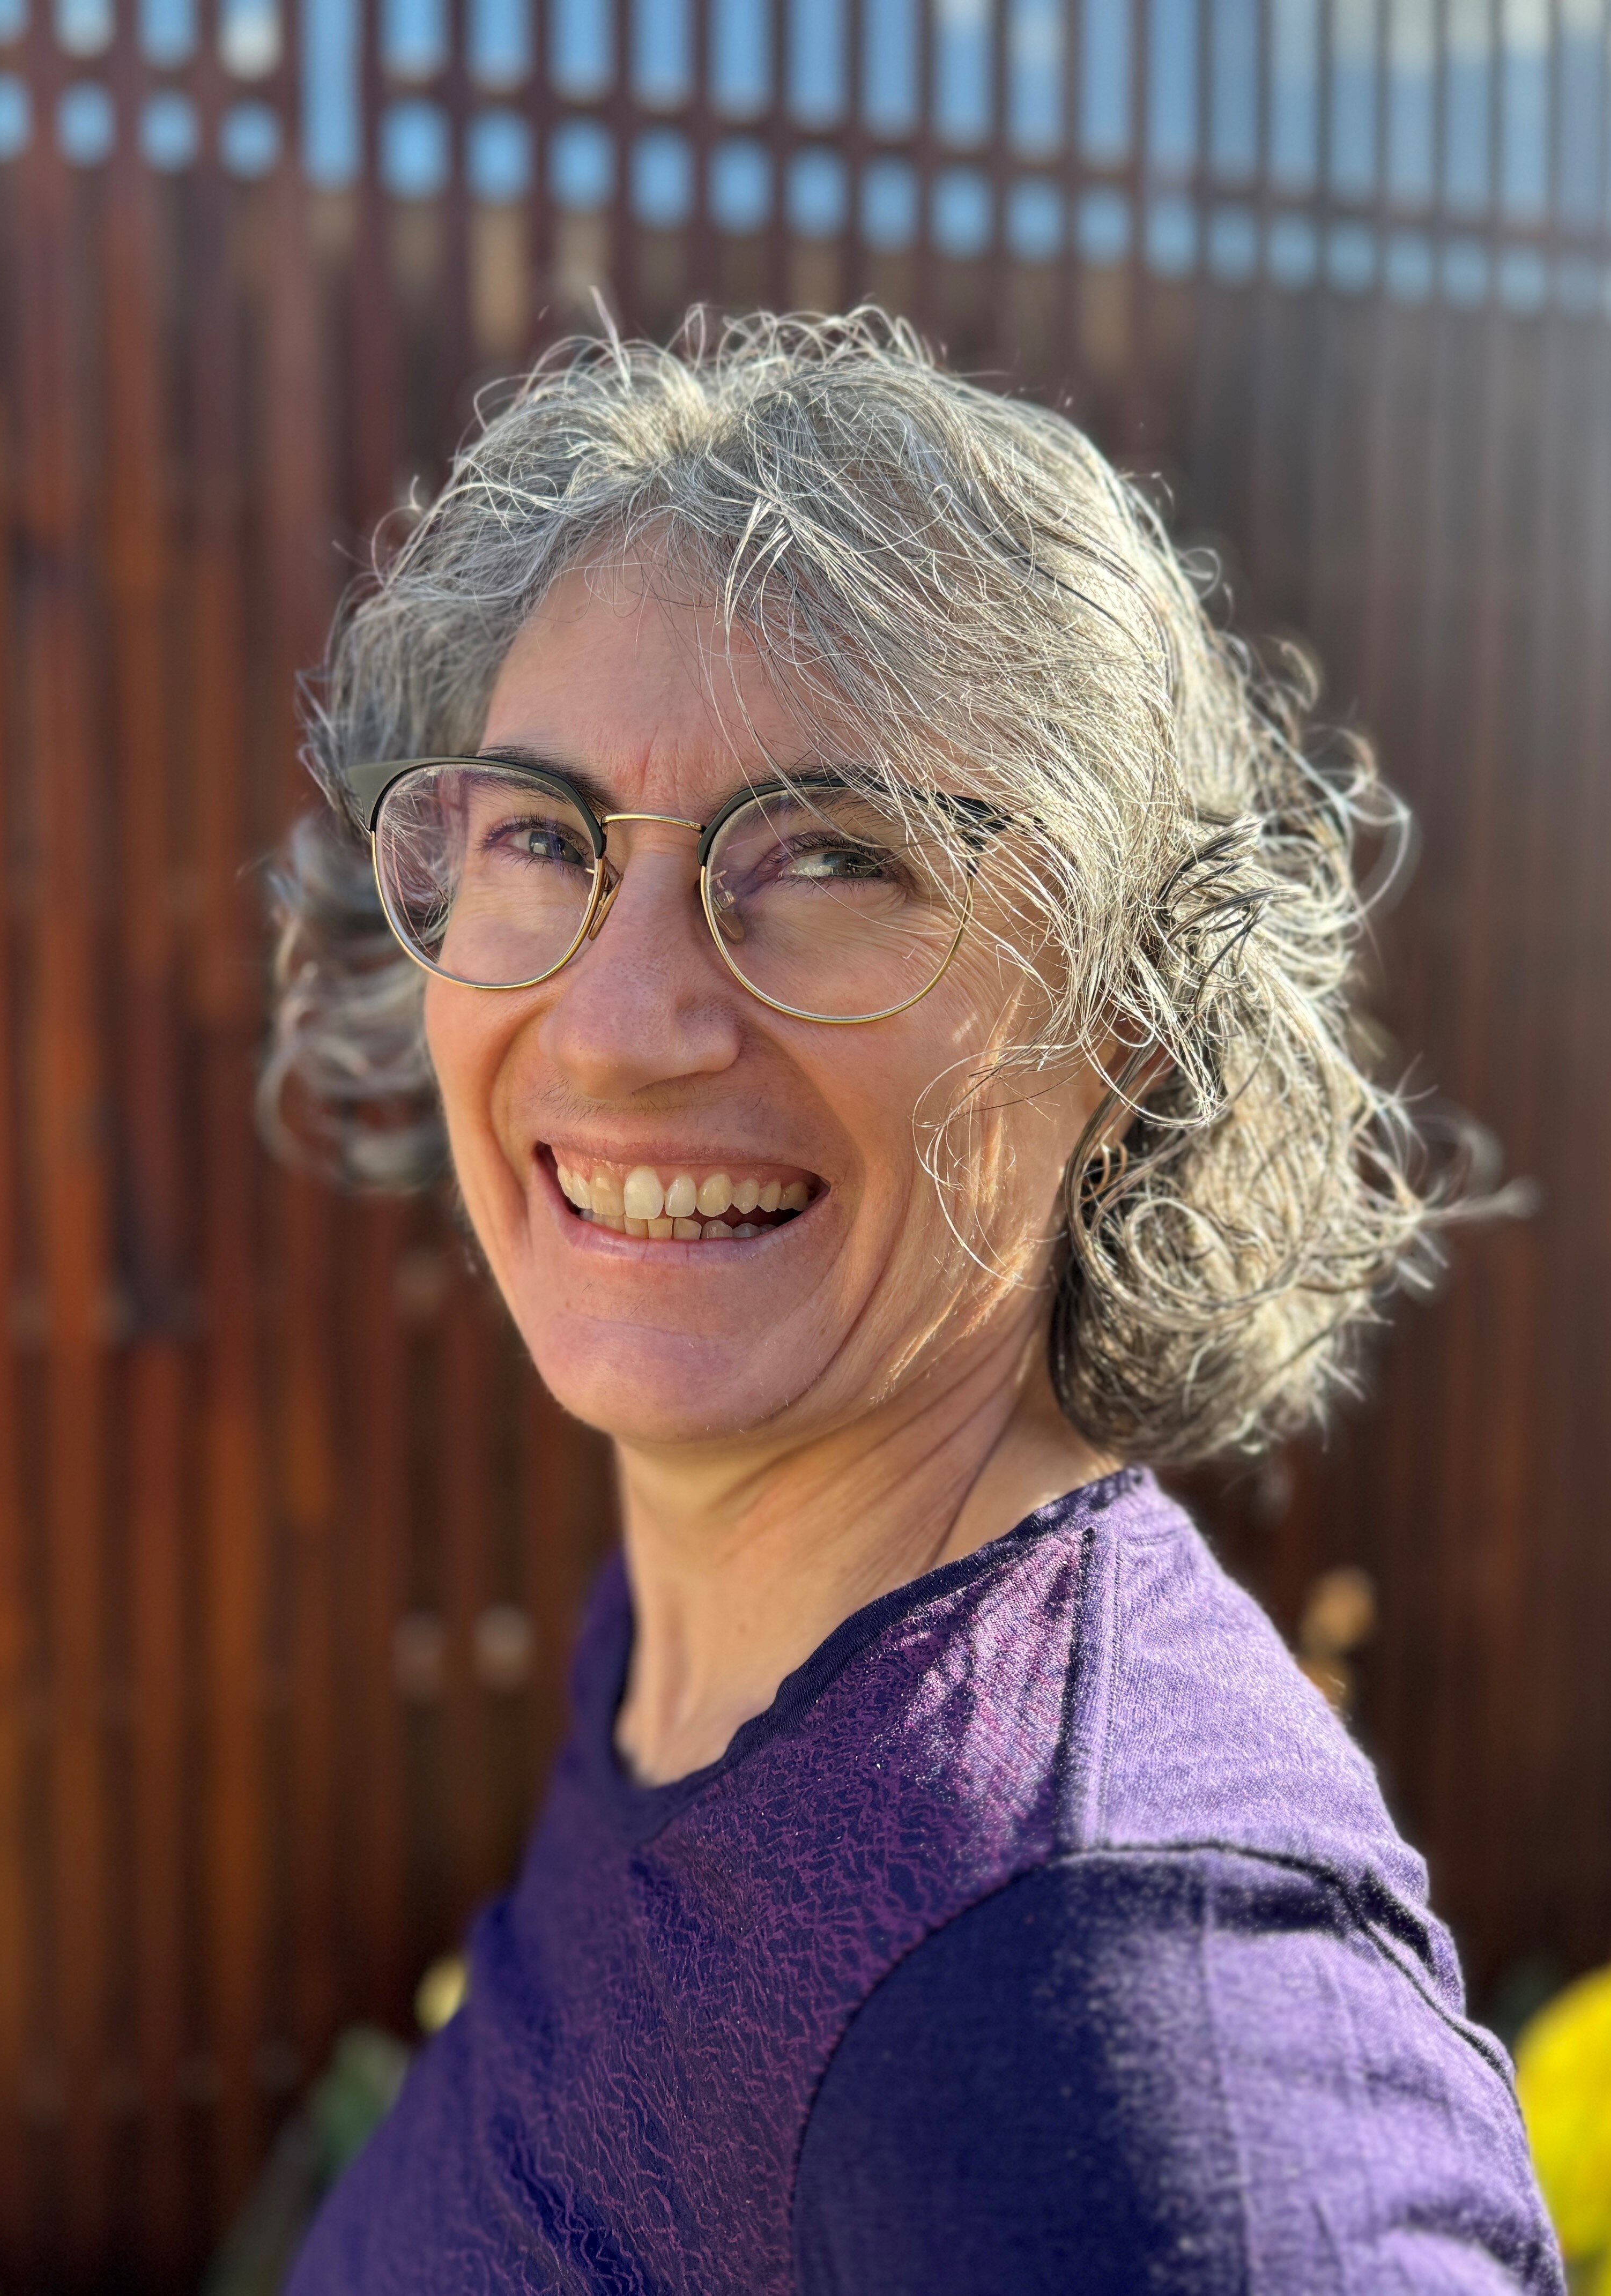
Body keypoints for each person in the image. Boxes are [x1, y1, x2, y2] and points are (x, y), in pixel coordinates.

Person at [269, 311, 1561, 2293]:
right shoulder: (703, 1670)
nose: (616, 1024)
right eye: (539, 832)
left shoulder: (1114, 1993)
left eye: (830, 857)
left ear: (1127, 1025)